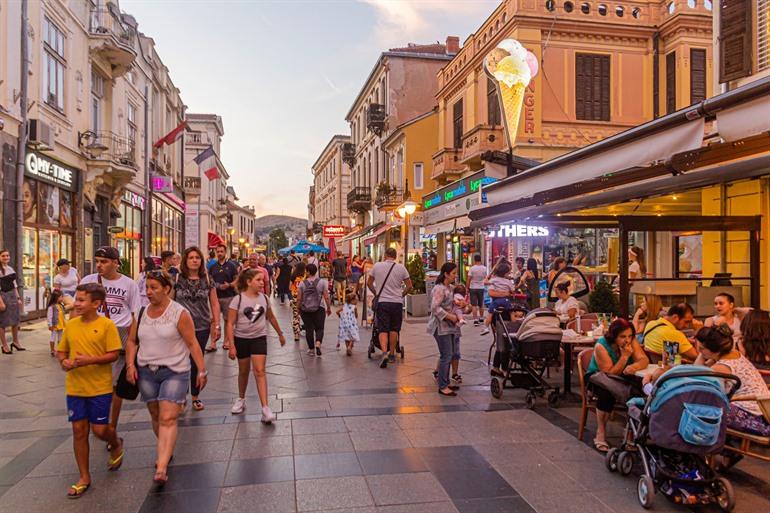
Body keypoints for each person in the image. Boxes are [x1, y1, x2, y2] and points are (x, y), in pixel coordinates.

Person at [125, 271, 208, 486]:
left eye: (154, 287)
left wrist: (201, 370)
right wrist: (131, 364)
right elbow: (132, 341)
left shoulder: (179, 313)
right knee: (155, 414)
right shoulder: (141, 313)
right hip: (146, 371)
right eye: (147, 287)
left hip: (175, 370)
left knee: (168, 417)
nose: (149, 292)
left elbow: (192, 343)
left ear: (167, 289)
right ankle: (165, 448)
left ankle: (161, 467)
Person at [57, 283, 124, 498]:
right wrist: (64, 361)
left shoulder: (106, 325)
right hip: (75, 388)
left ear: (96, 303)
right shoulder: (72, 325)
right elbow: (62, 351)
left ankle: (115, 442)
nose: (76, 303)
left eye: (81, 300)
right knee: (79, 430)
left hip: (99, 387)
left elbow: (114, 354)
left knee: (100, 430)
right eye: (76, 299)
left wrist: (90, 361)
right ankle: (84, 476)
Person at [79, 246, 140, 435]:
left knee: (114, 386)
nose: (99, 265)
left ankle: (111, 425)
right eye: (97, 261)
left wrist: (133, 342)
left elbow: (134, 315)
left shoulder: (129, 284)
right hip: (92, 334)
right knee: (92, 381)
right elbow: (77, 308)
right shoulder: (88, 281)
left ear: (115, 262)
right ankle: (96, 420)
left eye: (104, 261)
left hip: (118, 335)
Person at [227, 268, 286, 419]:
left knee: (260, 371)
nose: (262, 282)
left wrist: (280, 334)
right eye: (258, 280)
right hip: (241, 339)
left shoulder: (264, 298)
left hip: (259, 338)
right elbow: (230, 323)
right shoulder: (238, 300)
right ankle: (241, 399)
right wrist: (232, 345)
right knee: (243, 371)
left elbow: (271, 317)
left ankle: (265, 408)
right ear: (248, 282)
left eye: (262, 280)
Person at [692, 325, 770, 436]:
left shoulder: (721, 367)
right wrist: (704, 349)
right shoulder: (733, 354)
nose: (699, 351)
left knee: (701, 406)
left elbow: (696, 376)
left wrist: (702, 354)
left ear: (714, 350)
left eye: (701, 349)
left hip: (753, 416)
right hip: (764, 410)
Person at [585, 318, 649, 452]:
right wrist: (625, 357)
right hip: (599, 377)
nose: (627, 340)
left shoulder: (631, 341)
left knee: (642, 391)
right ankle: (600, 432)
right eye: (622, 337)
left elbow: (644, 359)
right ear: (614, 336)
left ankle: (631, 432)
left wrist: (634, 366)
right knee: (606, 393)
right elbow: (610, 373)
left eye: (630, 336)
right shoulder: (601, 346)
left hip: (623, 378)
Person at [173, 247, 221, 412]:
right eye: (191, 257)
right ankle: (180, 397)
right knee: (180, 362)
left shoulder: (207, 279)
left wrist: (216, 324)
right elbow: (169, 301)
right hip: (179, 327)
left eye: (197, 258)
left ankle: (195, 396)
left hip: (201, 326)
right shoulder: (177, 279)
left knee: (195, 362)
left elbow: (214, 303)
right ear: (185, 260)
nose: (194, 260)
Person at [367, 247, 412, 369]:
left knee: (382, 329)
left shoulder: (377, 266)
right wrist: (401, 295)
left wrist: (376, 293)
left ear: (385, 255)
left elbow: (369, 283)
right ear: (395, 256)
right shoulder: (401, 268)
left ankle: (384, 353)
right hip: (396, 303)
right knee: (394, 329)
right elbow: (409, 286)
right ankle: (392, 354)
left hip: (383, 302)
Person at [427, 263, 462, 397]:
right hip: (440, 326)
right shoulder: (439, 289)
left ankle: (446, 382)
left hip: (450, 327)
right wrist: (450, 316)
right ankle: (442, 386)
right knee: (446, 355)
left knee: (451, 354)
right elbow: (435, 308)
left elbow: (455, 304)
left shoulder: (451, 288)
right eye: (453, 273)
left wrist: (463, 306)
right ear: (446, 274)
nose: (455, 275)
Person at [208, 244, 239, 352]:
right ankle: (213, 343)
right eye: (218, 251)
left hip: (228, 296)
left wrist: (229, 285)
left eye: (221, 251)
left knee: (227, 320)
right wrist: (215, 285)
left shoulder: (231, 266)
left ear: (225, 252)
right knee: (213, 320)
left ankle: (226, 342)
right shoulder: (212, 267)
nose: (220, 253)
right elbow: (209, 280)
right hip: (215, 297)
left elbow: (236, 280)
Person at [297, 263, 332, 356]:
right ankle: (318, 343)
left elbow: (299, 298)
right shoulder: (322, 282)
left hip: (306, 310)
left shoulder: (302, 283)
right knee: (320, 328)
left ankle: (311, 350)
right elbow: (326, 297)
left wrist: (298, 308)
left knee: (309, 329)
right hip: (319, 308)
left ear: (308, 272)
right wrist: (328, 307)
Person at [480, 261, 516, 337]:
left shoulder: (494, 279)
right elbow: (513, 290)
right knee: (511, 312)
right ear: (506, 273)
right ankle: (514, 326)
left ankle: (486, 327)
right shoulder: (508, 281)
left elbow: (485, 282)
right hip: (506, 300)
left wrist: (487, 278)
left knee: (490, 313)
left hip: (496, 301)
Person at [0, 249, 24, 354]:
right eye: (3, 256)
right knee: (3, 322)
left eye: (7, 255)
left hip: (12, 296)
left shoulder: (10, 268)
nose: (6, 257)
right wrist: (0, 302)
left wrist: (18, 298)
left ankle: (15, 342)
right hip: (3, 296)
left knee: (15, 320)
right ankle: (4, 345)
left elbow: (14, 285)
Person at [466, 254, 487, 326]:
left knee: (474, 305)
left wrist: (467, 288)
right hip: (481, 287)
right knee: (481, 304)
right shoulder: (484, 268)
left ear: (474, 260)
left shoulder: (472, 268)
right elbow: (485, 277)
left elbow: (468, 279)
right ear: (480, 259)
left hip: (473, 288)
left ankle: (475, 320)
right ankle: (481, 318)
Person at [336, 289, 359, 356]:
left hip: (344, 324)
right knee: (353, 336)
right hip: (352, 324)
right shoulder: (354, 307)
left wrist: (341, 317)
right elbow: (356, 316)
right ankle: (349, 347)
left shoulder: (344, 306)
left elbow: (337, 312)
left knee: (346, 337)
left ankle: (347, 348)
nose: (357, 301)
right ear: (352, 300)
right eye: (356, 300)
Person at [47, 289, 67, 356]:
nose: (62, 298)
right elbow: (49, 316)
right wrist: (50, 324)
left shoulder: (61, 305)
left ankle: (59, 349)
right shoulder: (51, 307)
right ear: (56, 298)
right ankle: (52, 350)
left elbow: (63, 314)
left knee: (60, 338)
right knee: (53, 337)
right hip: (54, 325)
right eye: (61, 297)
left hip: (61, 324)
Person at [289, 262, 306, 342]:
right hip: (305, 298)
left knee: (296, 316)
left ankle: (296, 334)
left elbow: (290, 288)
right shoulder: (305, 277)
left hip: (295, 298)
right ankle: (307, 330)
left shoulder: (293, 276)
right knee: (306, 315)